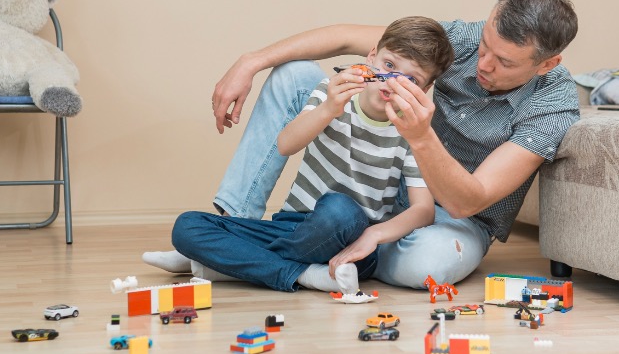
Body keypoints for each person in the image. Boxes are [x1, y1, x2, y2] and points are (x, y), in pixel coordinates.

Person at [145, 0, 580, 289]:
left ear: (547, 64)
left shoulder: (553, 106)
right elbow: (345, 38)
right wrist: (250, 60)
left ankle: (235, 256)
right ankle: (233, 225)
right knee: (293, 72)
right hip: (373, 187)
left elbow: (469, 199)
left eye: (503, 62)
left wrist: (423, 139)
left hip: (449, 214)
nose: (483, 63)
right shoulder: (466, 40)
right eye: (484, 46)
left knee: (423, 268)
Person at [144, 16, 454, 293]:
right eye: (389, 66)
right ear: (371, 56)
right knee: (187, 226)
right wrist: (328, 109)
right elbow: (284, 144)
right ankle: (304, 274)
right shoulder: (329, 92)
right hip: (293, 225)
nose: (393, 81)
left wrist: (373, 236)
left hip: (352, 242)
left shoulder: (414, 131)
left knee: (339, 208)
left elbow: (423, 211)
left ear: (424, 89)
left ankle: (226, 260)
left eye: (410, 79)